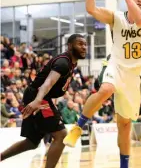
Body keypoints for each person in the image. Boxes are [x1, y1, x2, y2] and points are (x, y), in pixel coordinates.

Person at [63, 0, 141, 168]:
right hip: (115, 65)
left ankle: (124, 165)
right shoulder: (116, 18)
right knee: (106, 89)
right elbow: (90, 8)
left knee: (124, 125)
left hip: (133, 77)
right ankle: (78, 127)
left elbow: (140, 21)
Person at [0, 34, 87, 168]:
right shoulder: (63, 63)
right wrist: (37, 101)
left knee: (32, 142)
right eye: (80, 44)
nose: (84, 47)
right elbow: (48, 83)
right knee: (61, 136)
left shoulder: (71, 63)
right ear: (70, 46)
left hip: (38, 96)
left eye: (85, 44)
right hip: (38, 97)